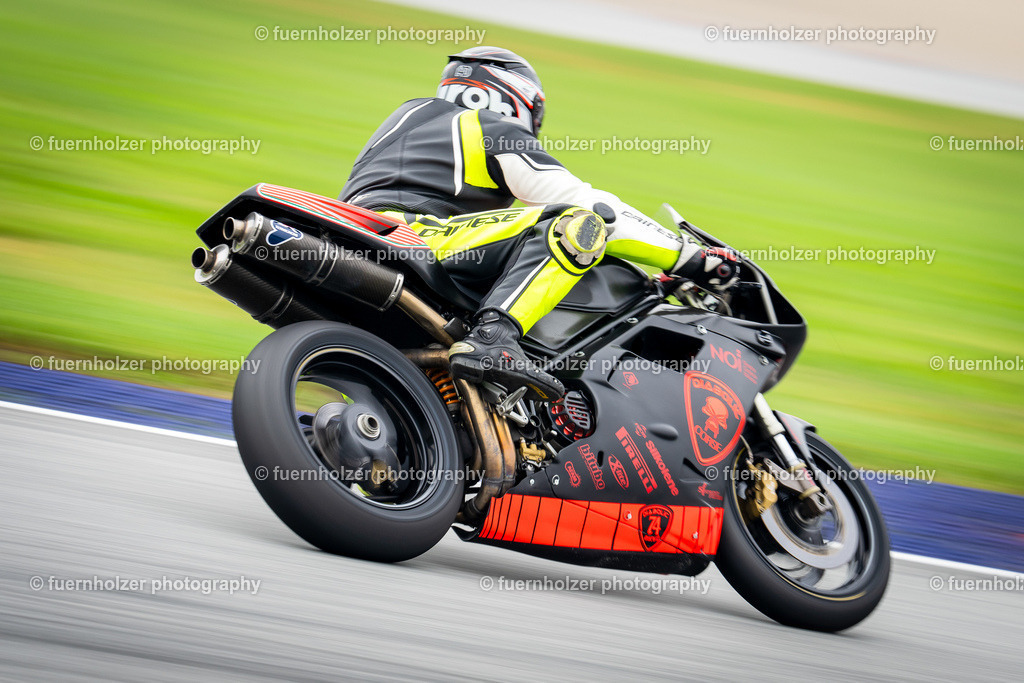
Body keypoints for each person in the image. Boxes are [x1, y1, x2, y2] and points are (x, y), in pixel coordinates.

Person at [341, 47, 739, 401]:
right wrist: (690, 258)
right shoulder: (486, 125)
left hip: (359, 240)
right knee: (578, 223)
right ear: (517, 100)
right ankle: (494, 338)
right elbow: (590, 204)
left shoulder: (406, 120)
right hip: (418, 238)